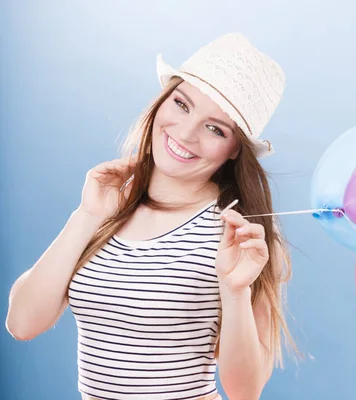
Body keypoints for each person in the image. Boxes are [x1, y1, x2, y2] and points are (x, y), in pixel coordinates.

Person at [5, 32, 296, 400]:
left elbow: (245, 392)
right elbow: (22, 323)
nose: (186, 133)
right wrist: (86, 216)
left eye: (215, 128)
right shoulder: (109, 204)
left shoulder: (236, 237)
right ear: (162, 101)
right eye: (182, 104)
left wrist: (235, 291)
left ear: (235, 149)